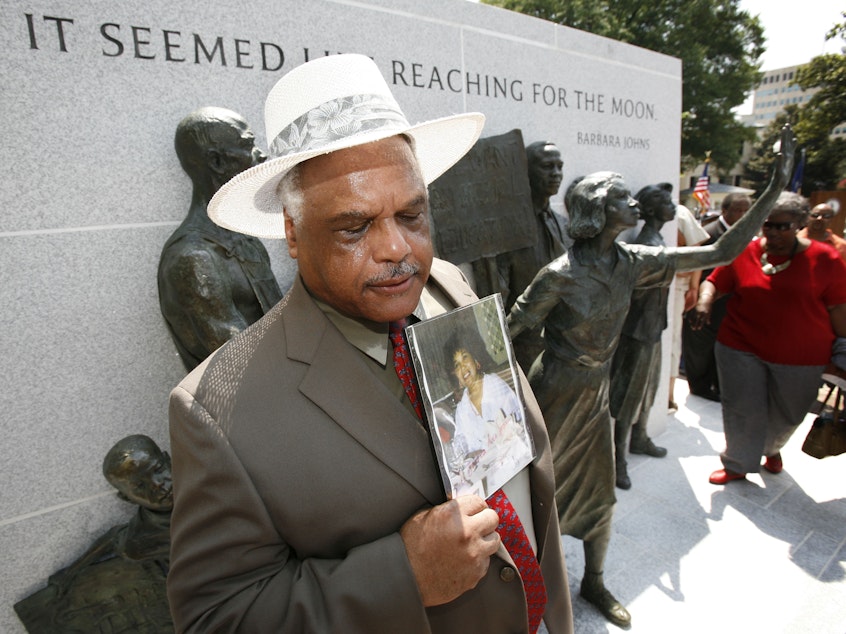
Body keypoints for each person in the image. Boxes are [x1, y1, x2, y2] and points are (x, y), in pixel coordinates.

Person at [166, 54, 573, 634]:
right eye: (354, 227)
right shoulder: (215, 410)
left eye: (412, 214)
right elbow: (216, 618)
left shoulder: (449, 285)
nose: (397, 249)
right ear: (291, 232)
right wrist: (401, 576)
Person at [506, 128, 793, 628]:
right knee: (537, 496)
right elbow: (510, 329)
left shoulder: (633, 262)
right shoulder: (559, 274)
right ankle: (528, 591)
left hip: (594, 397)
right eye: (622, 196)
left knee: (600, 498)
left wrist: (772, 190)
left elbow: (718, 254)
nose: (634, 203)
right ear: (596, 209)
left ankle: (593, 580)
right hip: (553, 391)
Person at [690, 192, 846, 484]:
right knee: (740, 407)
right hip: (739, 346)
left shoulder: (826, 259)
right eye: (767, 224)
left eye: (781, 226)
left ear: (799, 223)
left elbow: (839, 307)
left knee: (789, 413)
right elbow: (716, 281)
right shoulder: (746, 250)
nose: (772, 232)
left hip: (802, 356)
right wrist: (704, 301)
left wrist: (844, 349)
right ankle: (737, 462)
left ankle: (770, 448)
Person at [158, 107, 284, 371]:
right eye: (248, 145)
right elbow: (241, 363)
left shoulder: (245, 241)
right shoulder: (193, 259)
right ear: (217, 162)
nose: (260, 155)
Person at [15, 435, 173, 632]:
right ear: (126, 498)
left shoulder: (209, 486)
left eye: (158, 469)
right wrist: (70, 574)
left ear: (168, 460)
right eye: (140, 486)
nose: (157, 484)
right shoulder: (139, 541)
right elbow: (113, 539)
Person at [609, 183, 675, 491]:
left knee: (650, 388)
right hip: (637, 332)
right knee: (629, 395)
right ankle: (619, 458)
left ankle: (640, 436)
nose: (673, 205)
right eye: (666, 202)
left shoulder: (657, 239)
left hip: (653, 327)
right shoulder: (647, 245)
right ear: (650, 210)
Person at [497, 141, 570, 371]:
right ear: (525, 171)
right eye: (547, 166)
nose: (556, 174)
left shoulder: (565, 225)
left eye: (559, 166)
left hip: (562, 345)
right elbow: (497, 292)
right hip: (522, 346)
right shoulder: (508, 229)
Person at [681, 193, 752, 401]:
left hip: (732, 306)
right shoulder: (709, 234)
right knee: (699, 349)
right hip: (707, 301)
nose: (742, 215)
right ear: (724, 210)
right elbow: (698, 268)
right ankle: (700, 387)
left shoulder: (747, 236)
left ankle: (719, 386)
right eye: (737, 210)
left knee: (723, 349)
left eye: (745, 211)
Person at [445, 330, 533, 495]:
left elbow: (520, 427)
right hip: (487, 480)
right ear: (456, 375)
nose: (463, 366)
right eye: (457, 365)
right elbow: (464, 451)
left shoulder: (495, 385)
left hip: (516, 469)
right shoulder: (462, 410)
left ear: (476, 361)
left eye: (465, 357)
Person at [668, 203, 709, 410]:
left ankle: (668, 392)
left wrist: (693, 286)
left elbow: (695, 251)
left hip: (676, 286)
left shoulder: (680, 212)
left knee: (672, 340)